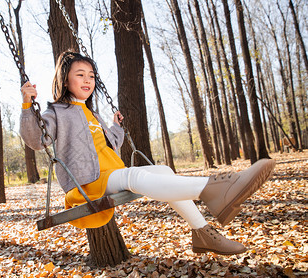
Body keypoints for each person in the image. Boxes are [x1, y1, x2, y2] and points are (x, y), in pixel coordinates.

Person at [20, 51, 275, 256]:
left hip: (111, 174)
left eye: (91, 75)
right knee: (134, 177)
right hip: (87, 182)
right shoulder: (56, 112)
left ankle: (203, 233)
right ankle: (217, 188)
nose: (88, 80)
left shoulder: (92, 113)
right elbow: (36, 140)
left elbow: (109, 145)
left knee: (163, 171)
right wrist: (27, 105)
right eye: (80, 75)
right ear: (65, 80)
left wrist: (115, 127)